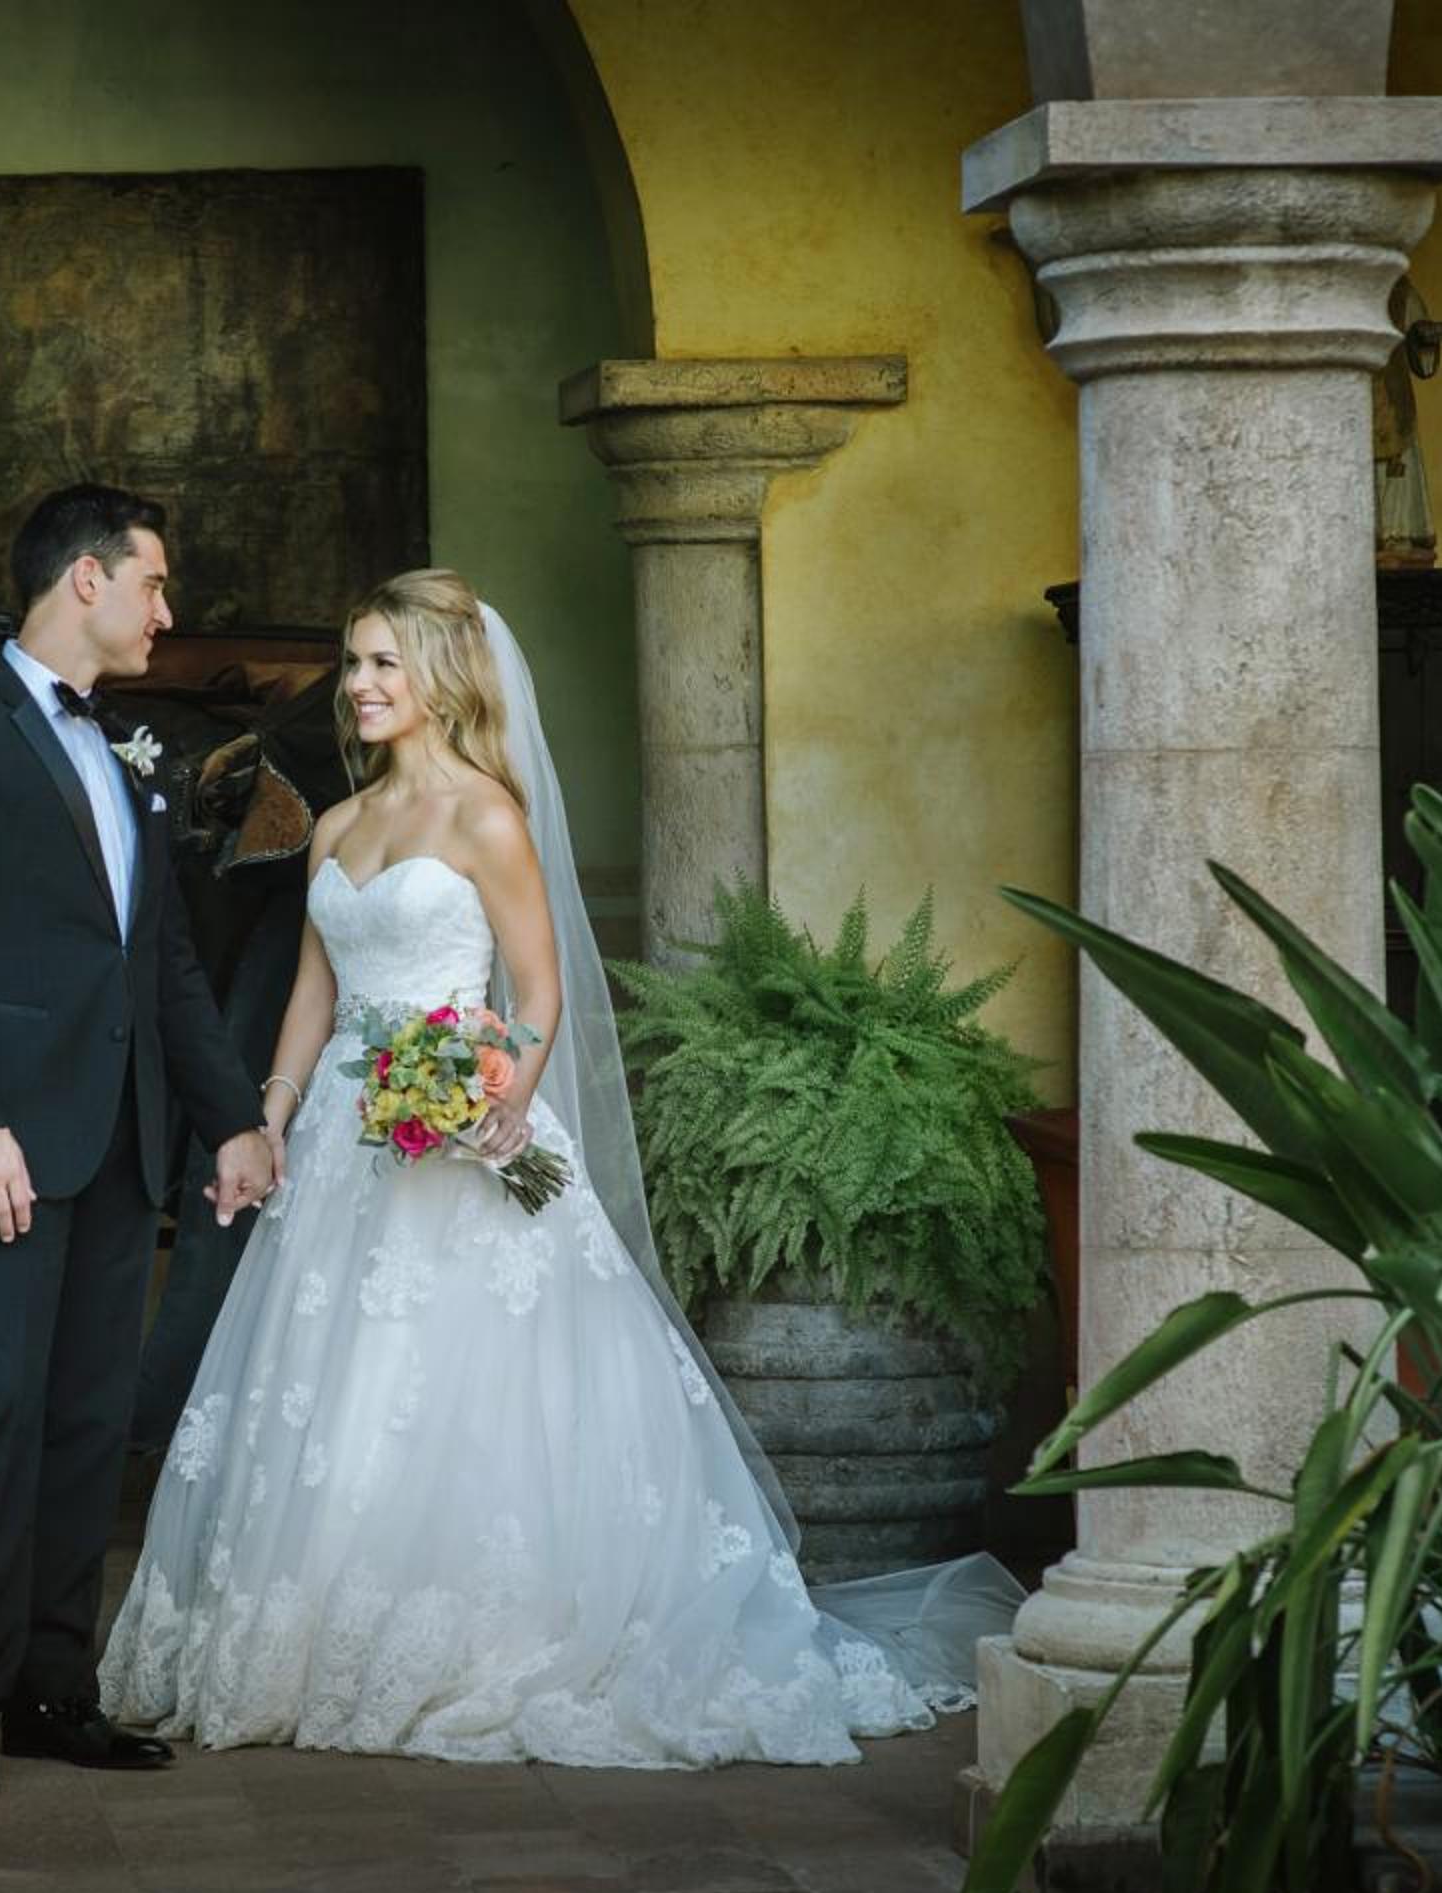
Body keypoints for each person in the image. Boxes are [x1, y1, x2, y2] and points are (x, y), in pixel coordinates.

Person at [99, 568, 1024, 1767]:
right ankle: (311, 1631)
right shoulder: (337, 825)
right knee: (330, 1393)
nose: (359, 685)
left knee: (457, 1391)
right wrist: (272, 1117)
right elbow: (314, 996)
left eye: (382, 663)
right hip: (341, 1146)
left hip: (463, 1148)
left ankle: (476, 1637)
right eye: (355, 662)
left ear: (441, 678)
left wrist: (499, 1091)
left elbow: (536, 990)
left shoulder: (489, 818)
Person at [0, 483, 282, 1802]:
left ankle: (55, 1688)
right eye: (153, 583)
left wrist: (231, 1118)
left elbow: (163, 966)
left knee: (91, 1420)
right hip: (5, 1140)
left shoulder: (129, 751)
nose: (168, 611)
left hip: (123, 1140)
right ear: (86, 580)